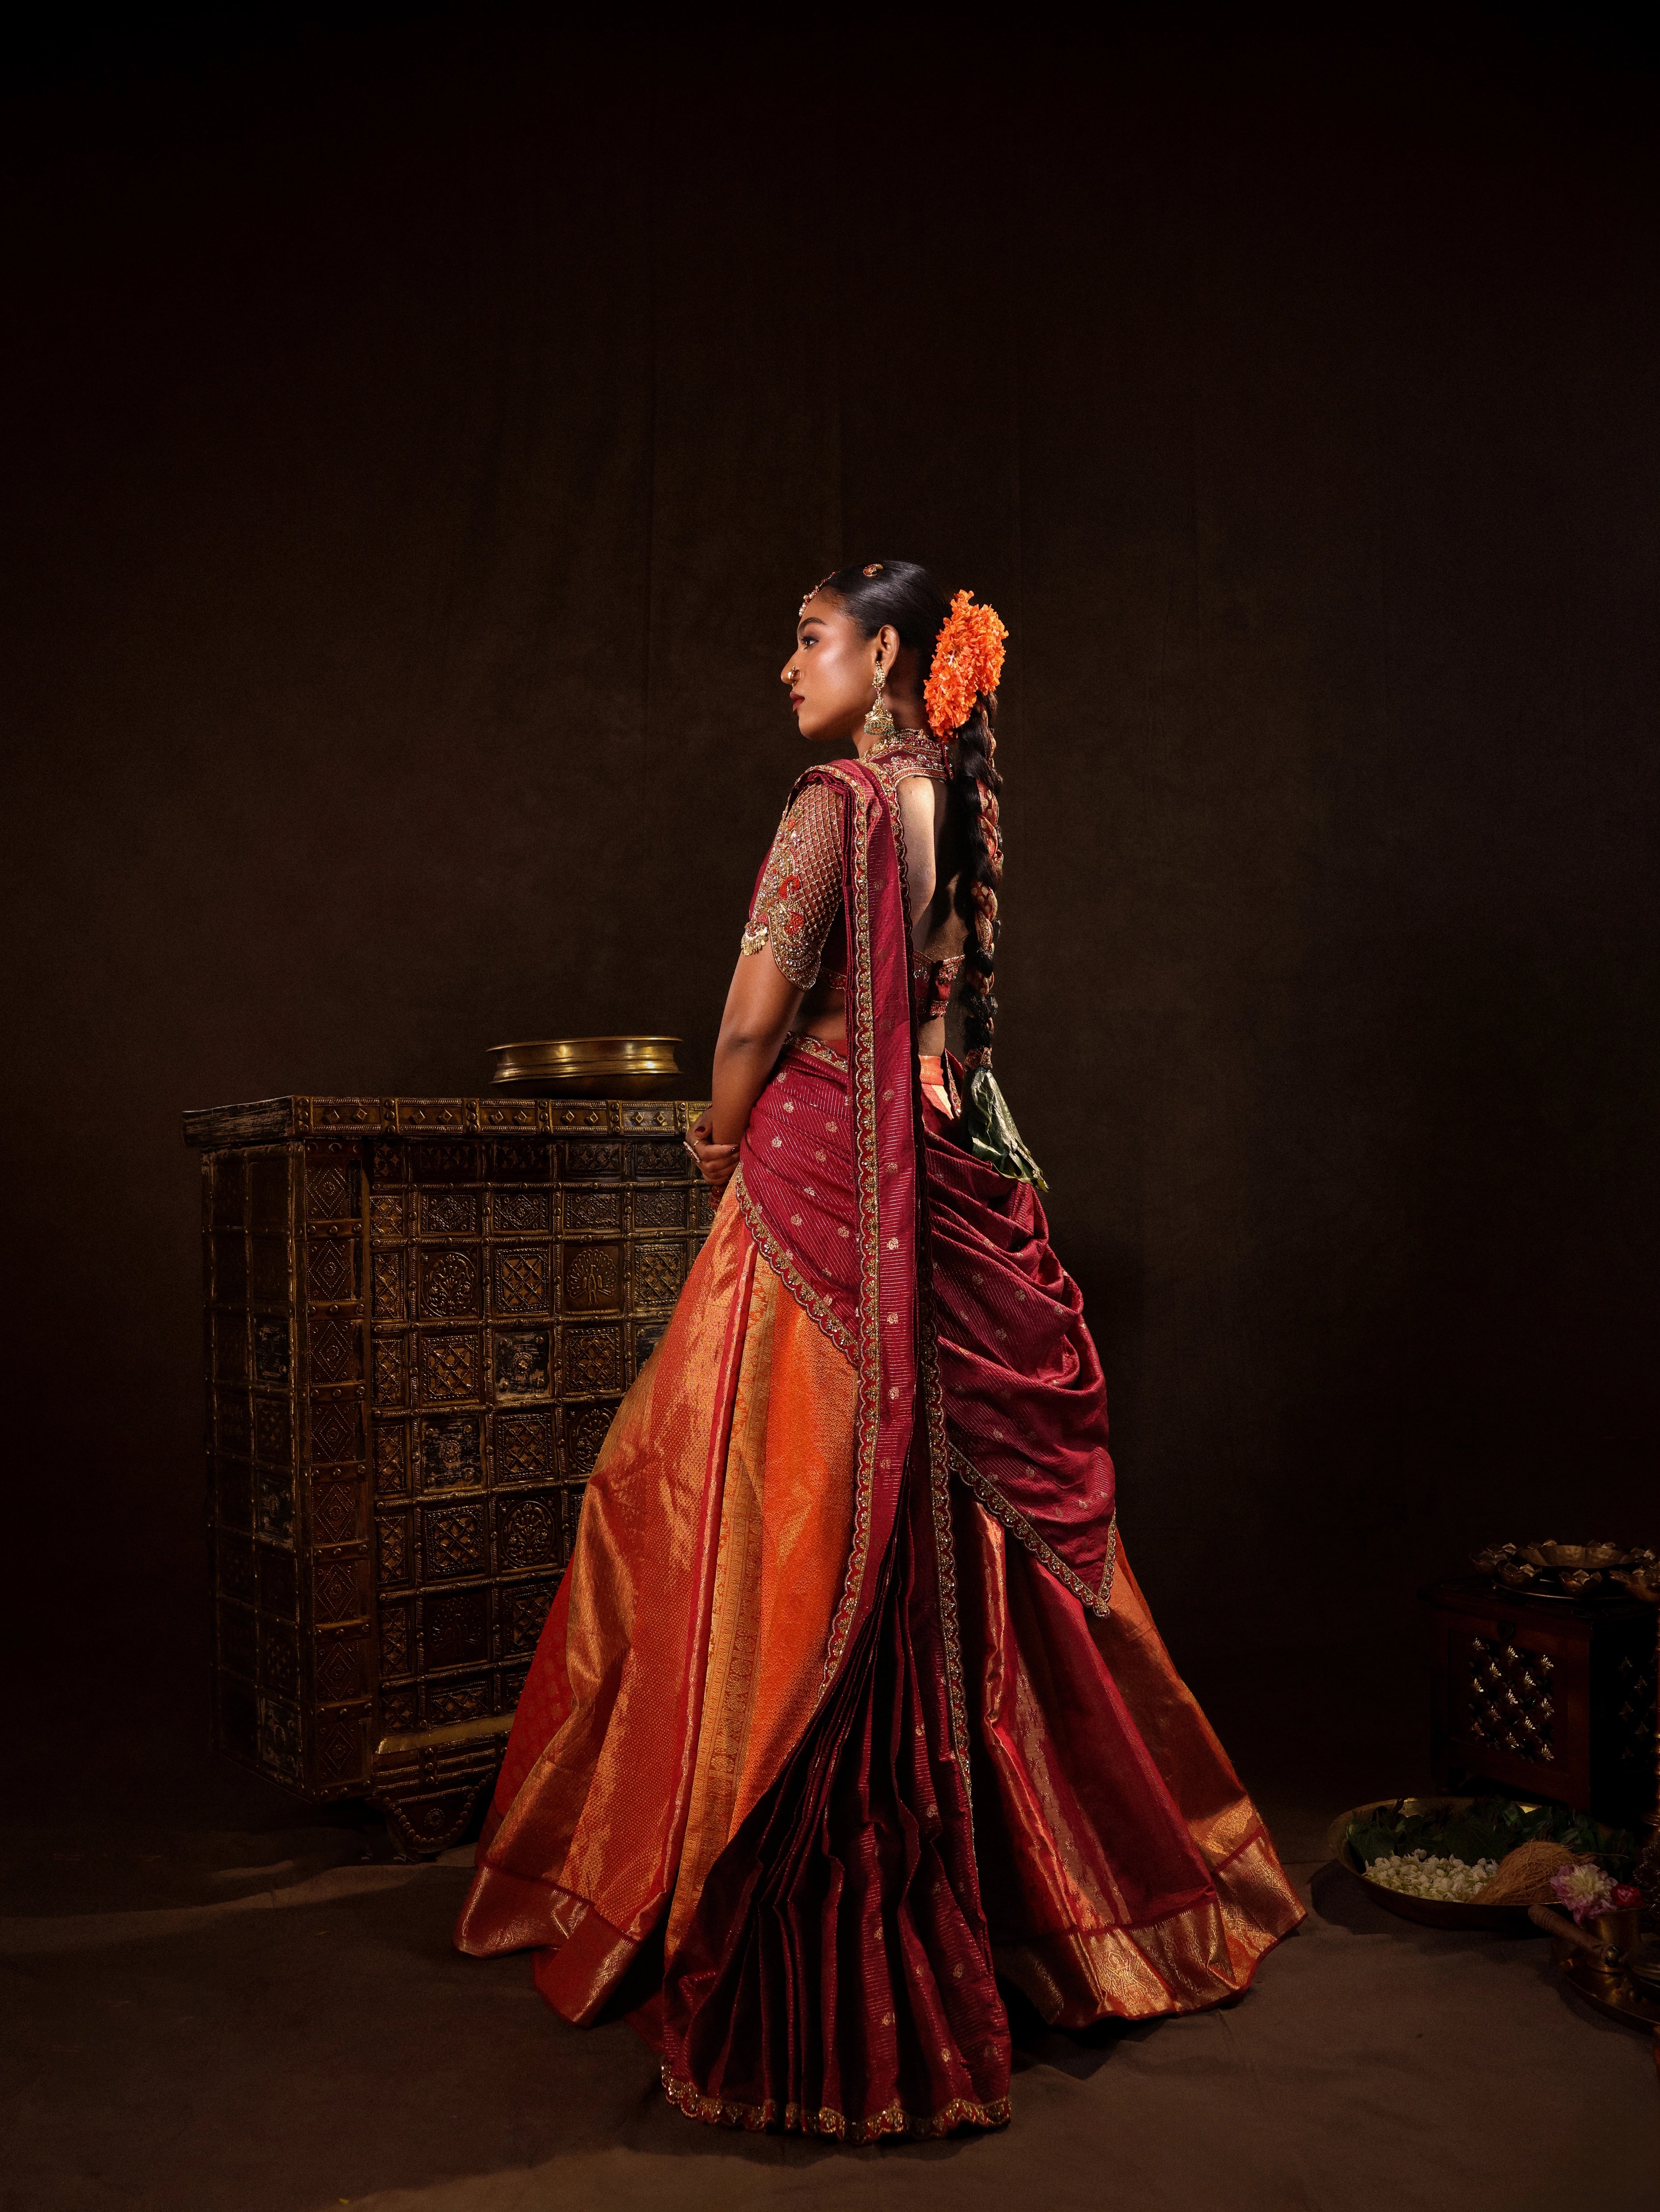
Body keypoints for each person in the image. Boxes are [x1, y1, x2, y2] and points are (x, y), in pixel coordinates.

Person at [453, 561, 1303, 2139]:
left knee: (731, 1495)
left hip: (813, 1180)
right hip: (931, 1173)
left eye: (809, 639)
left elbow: (748, 1015)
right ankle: (1050, 1891)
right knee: (948, 1518)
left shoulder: (831, 804)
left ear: (888, 652)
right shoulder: (957, 807)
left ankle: (765, 1831)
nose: (787, 668)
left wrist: (722, 1137)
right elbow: (959, 1045)